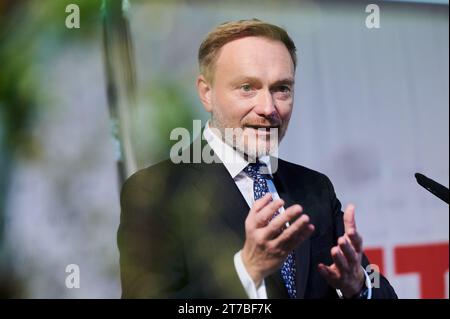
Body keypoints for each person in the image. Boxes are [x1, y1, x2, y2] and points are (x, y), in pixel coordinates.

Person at [118, 19, 397, 299]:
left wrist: (358, 286)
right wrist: (247, 271)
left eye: (282, 88)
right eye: (247, 87)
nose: (268, 108)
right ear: (207, 93)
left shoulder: (315, 188)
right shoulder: (155, 193)